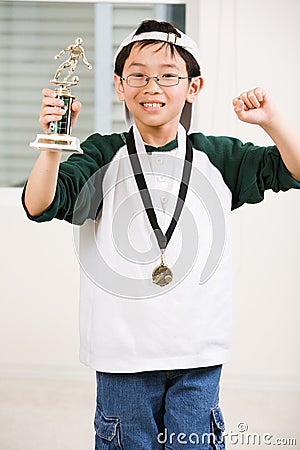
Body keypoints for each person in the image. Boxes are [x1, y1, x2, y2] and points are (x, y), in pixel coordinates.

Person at [22, 20, 300, 450]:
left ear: (193, 86)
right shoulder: (101, 153)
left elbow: (294, 170)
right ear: (119, 85)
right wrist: (53, 146)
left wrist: (272, 121)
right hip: (121, 355)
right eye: (138, 74)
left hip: (198, 354)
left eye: (168, 75)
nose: (152, 86)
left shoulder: (218, 155)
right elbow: (40, 204)